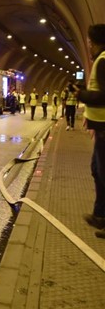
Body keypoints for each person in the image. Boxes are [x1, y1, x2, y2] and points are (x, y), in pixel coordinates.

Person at [75, 24, 105, 239]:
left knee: (104, 173)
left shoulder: (103, 61)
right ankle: (100, 214)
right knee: (97, 170)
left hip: (104, 127)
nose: (88, 45)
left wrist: (82, 95)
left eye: (89, 41)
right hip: (100, 126)